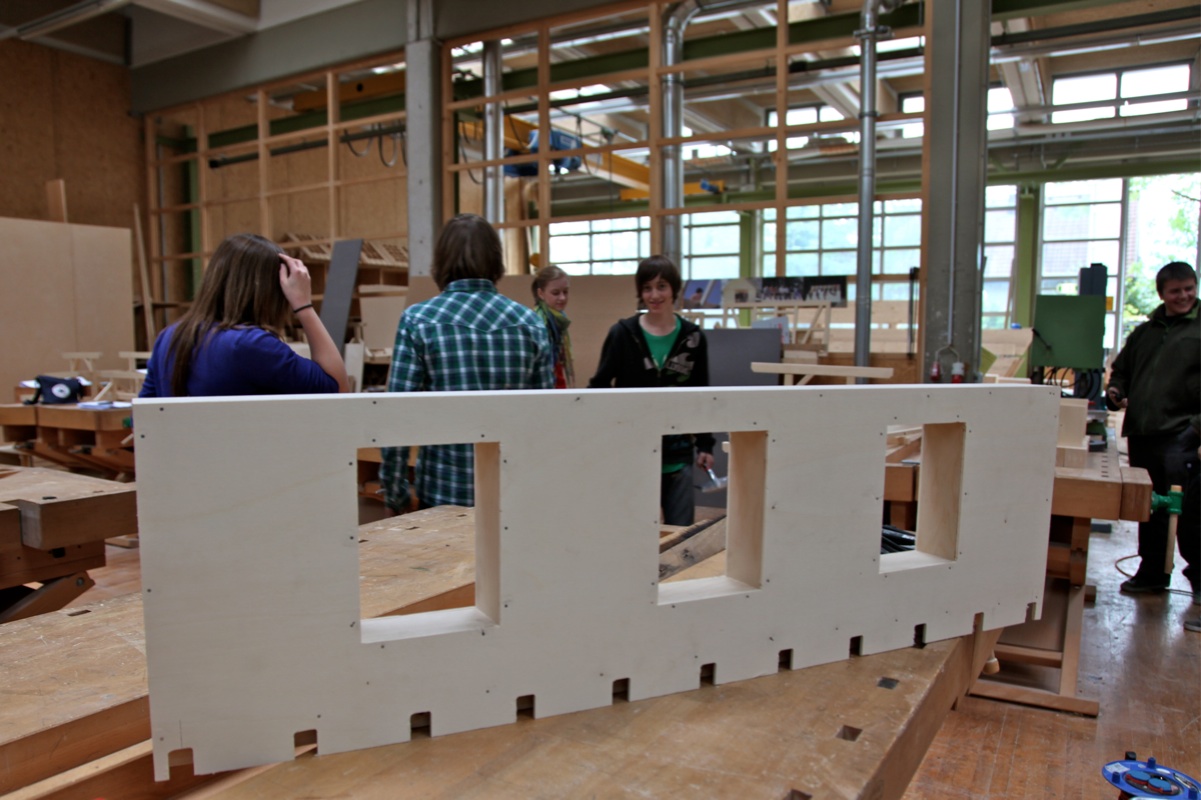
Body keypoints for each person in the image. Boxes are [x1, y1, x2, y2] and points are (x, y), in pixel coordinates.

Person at [380, 214, 554, 512]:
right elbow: (543, 421)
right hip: (512, 494)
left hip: (443, 495)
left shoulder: (418, 321)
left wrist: (395, 494)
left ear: (441, 260)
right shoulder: (531, 324)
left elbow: (397, 417)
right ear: (496, 260)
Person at [1105, 261, 1199, 630]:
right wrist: (1116, 390)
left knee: (1190, 513)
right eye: (1176, 291)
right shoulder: (1144, 333)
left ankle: (1199, 580)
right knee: (1150, 507)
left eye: (1189, 288)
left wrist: (1196, 430)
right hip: (1144, 434)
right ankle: (1153, 573)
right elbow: (1122, 371)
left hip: (1183, 435)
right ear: (1162, 293)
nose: (1184, 296)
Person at [588, 255, 715, 526]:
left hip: (678, 455)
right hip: (632, 453)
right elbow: (598, 387)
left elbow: (700, 394)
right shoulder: (622, 334)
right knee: (631, 532)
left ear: (674, 289)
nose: (654, 295)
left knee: (680, 536)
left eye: (661, 286)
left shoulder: (693, 337)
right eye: (647, 288)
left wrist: (705, 444)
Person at [140, 233, 350, 397]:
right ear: (270, 291)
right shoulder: (251, 344)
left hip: (185, 443)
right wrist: (304, 305)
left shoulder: (169, 337)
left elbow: (143, 417)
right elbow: (337, 389)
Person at [531, 265, 575, 388]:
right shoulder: (539, 323)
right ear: (541, 293)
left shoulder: (559, 320)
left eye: (565, 292)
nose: (562, 297)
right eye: (555, 293)